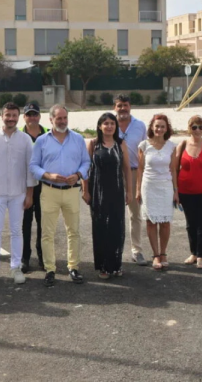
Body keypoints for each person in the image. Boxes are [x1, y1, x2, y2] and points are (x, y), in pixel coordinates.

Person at [29, 104, 91, 287]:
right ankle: (50, 269)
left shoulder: (78, 139)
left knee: (74, 232)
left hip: (72, 191)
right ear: (51, 120)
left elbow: (86, 163)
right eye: (59, 118)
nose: (62, 121)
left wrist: (78, 175)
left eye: (65, 118)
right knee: (47, 233)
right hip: (49, 190)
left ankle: (73, 267)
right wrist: (48, 175)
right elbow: (33, 166)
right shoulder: (42, 140)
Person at [0, 103, 37, 286]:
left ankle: (16, 267)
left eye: (14, 115)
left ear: (18, 117)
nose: (11, 118)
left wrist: (29, 194)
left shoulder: (25, 140)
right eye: (7, 115)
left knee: (16, 231)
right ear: (1, 115)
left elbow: (30, 169)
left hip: (18, 193)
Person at [82, 113, 131, 279]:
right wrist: (85, 190)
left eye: (112, 123)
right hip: (98, 192)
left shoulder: (121, 144)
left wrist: (129, 191)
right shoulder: (93, 144)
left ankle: (116, 265)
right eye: (106, 123)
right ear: (100, 126)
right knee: (101, 227)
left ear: (116, 127)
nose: (109, 126)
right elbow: (85, 169)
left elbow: (126, 170)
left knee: (117, 228)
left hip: (116, 191)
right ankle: (103, 266)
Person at [173, 115, 202, 269]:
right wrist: (176, 190)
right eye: (194, 127)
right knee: (190, 224)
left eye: (200, 127)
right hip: (186, 192)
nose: (198, 130)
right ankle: (193, 252)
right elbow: (174, 168)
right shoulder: (182, 144)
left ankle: (201, 256)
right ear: (189, 129)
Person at [136, 114, 178, 271]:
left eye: (162, 126)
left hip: (166, 186)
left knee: (165, 222)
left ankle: (163, 253)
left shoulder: (171, 146)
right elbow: (140, 169)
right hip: (149, 186)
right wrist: (138, 189)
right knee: (151, 221)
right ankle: (155, 255)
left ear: (167, 129)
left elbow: (173, 170)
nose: (159, 129)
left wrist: (176, 190)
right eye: (157, 126)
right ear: (152, 127)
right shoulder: (144, 145)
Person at [114, 95, 149, 266]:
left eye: (125, 105)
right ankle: (115, 250)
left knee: (135, 214)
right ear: (115, 108)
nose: (122, 109)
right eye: (119, 106)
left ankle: (137, 250)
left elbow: (146, 150)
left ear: (130, 107)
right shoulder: (109, 124)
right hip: (114, 174)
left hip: (135, 174)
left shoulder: (140, 125)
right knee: (114, 214)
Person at [20, 102, 46, 274]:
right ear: (24, 117)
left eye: (35, 114)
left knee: (44, 224)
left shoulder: (48, 135)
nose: (32, 117)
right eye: (29, 114)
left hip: (44, 186)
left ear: (39, 116)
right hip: (24, 186)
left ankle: (43, 256)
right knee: (25, 224)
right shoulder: (19, 136)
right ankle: (25, 258)